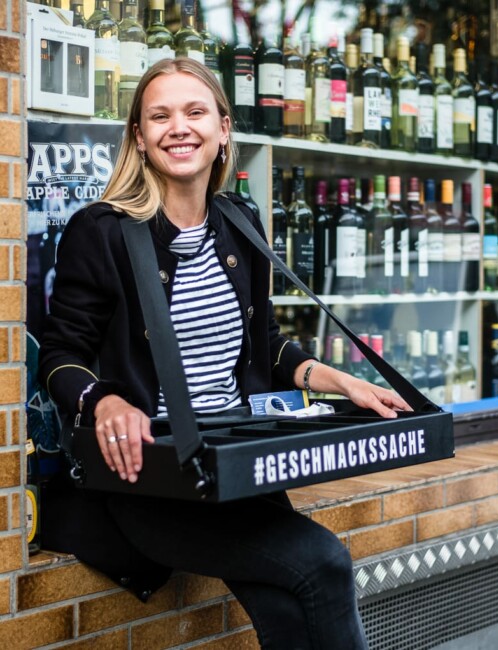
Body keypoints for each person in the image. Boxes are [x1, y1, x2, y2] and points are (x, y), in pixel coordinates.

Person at [38, 57, 410, 649]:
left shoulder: (242, 222)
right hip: (156, 480)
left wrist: (338, 380)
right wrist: (102, 400)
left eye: (194, 112)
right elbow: (60, 353)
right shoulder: (103, 229)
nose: (177, 127)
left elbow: (258, 342)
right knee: (324, 563)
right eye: (159, 116)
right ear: (139, 136)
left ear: (223, 129)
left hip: (237, 461)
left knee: (292, 605)